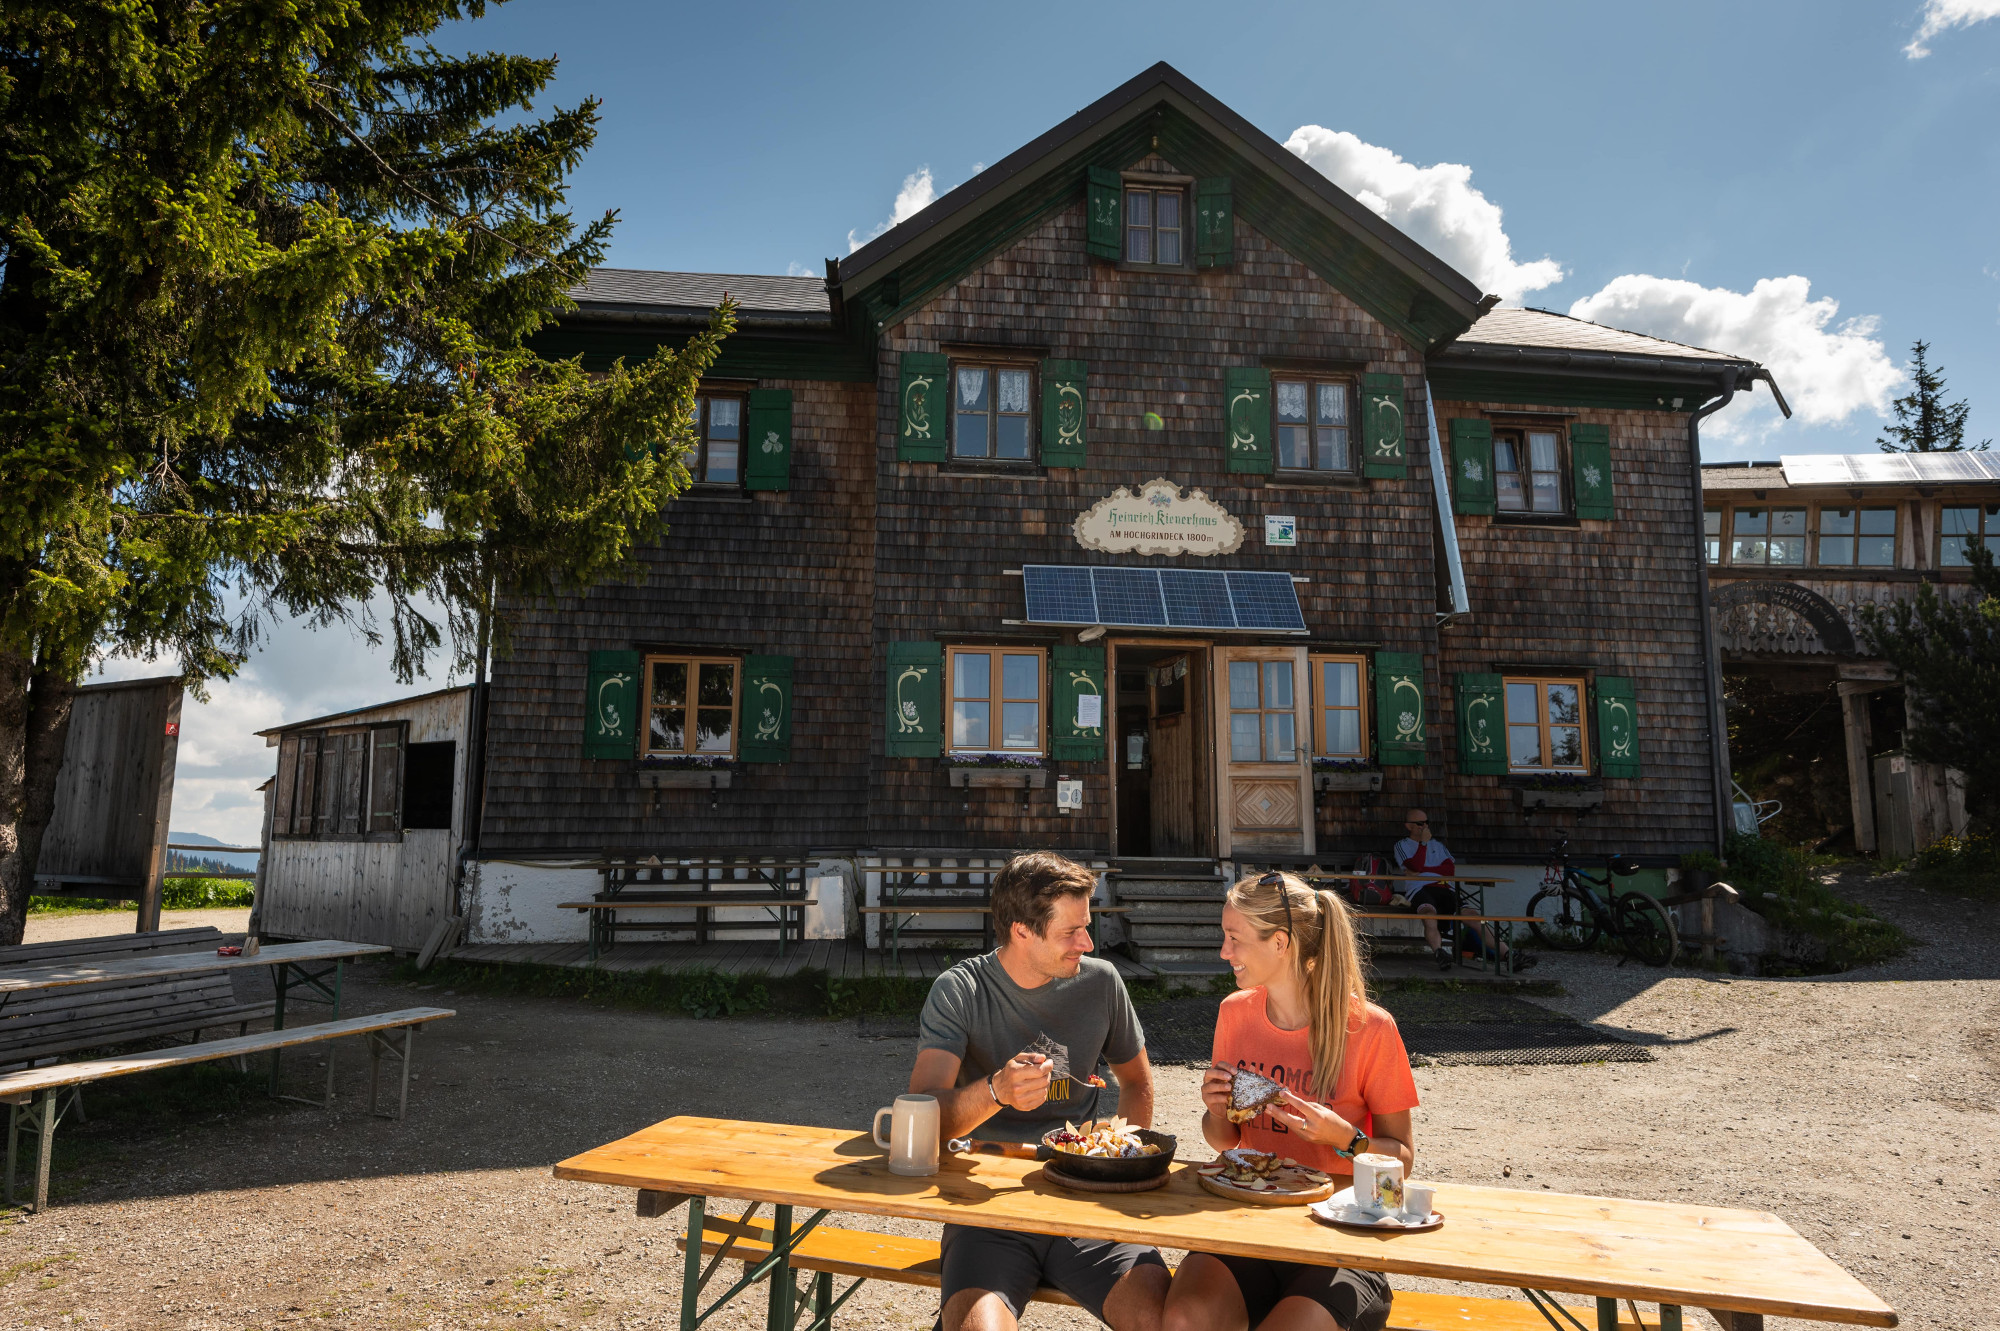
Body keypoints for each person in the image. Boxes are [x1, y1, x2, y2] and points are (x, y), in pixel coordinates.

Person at [909, 851, 1169, 1331]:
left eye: (1086, 926)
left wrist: (1119, 1163)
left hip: (1086, 1197)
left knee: (1167, 1320)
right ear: (1021, 931)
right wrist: (995, 1091)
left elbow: (1136, 1081)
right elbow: (921, 1114)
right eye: (1070, 932)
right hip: (987, 1205)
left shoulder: (1102, 982)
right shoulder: (960, 990)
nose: (1087, 943)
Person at [1163, 872, 1415, 1331]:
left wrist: (1347, 1139)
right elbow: (1226, 1142)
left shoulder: (1372, 1028)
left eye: (1234, 938)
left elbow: (1403, 1161)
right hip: (1246, 1225)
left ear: (1280, 943)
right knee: (1182, 1320)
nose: (1224, 952)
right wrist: (1216, 1110)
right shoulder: (1234, 1013)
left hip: (1341, 1239)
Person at [1392, 809, 1532, 972]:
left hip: (1445, 887)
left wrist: (1424, 869)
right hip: (1420, 888)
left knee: (1473, 917)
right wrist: (1422, 845)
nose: (1425, 826)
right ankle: (1439, 952)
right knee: (1429, 914)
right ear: (1409, 826)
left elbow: (1449, 870)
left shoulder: (1437, 845)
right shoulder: (1402, 845)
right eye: (1420, 823)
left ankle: (1508, 955)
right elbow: (1413, 866)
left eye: (1427, 822)